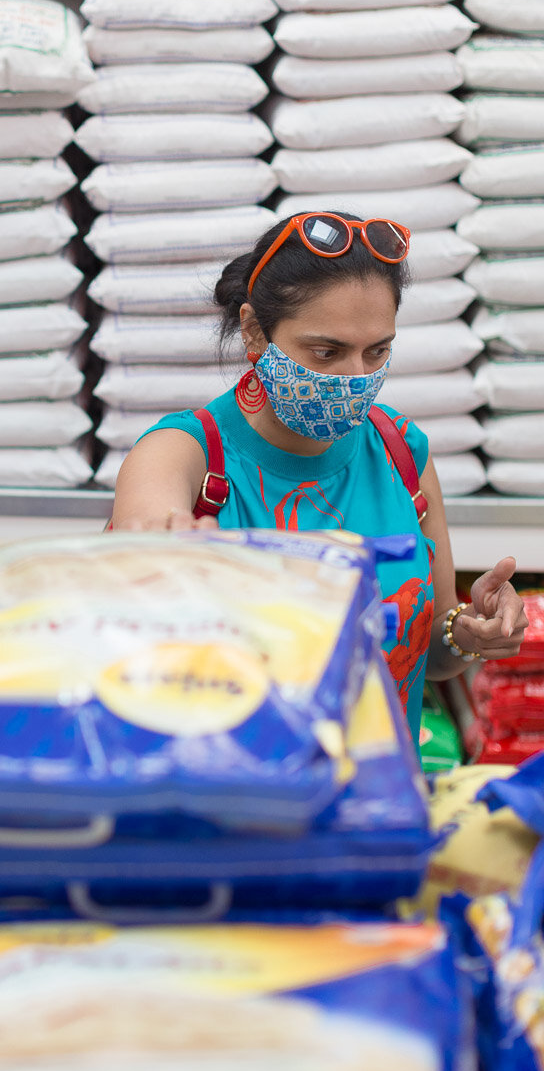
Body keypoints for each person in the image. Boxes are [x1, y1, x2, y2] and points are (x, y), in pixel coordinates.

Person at [112, 210, 527, 746]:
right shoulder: (184, 455)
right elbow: (144, 537)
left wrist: (471, 632)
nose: (355, 378)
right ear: (254, 330)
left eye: (377, 351)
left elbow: (435, 651)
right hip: (227, 804)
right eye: (326, 352)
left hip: (377, 804)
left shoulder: (402, 450)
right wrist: (168, 551)